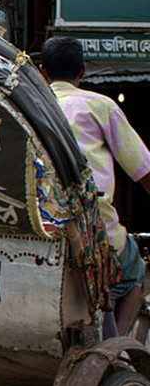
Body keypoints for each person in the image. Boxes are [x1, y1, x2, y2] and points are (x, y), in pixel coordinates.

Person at [41, 35, 150, 339]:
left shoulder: (28, 109)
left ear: (42, 72)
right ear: (83, 72)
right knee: (135, 269)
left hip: (39, 229)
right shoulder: (99, 106)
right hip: (93, 232)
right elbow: (143, 169)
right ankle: (115, 349)